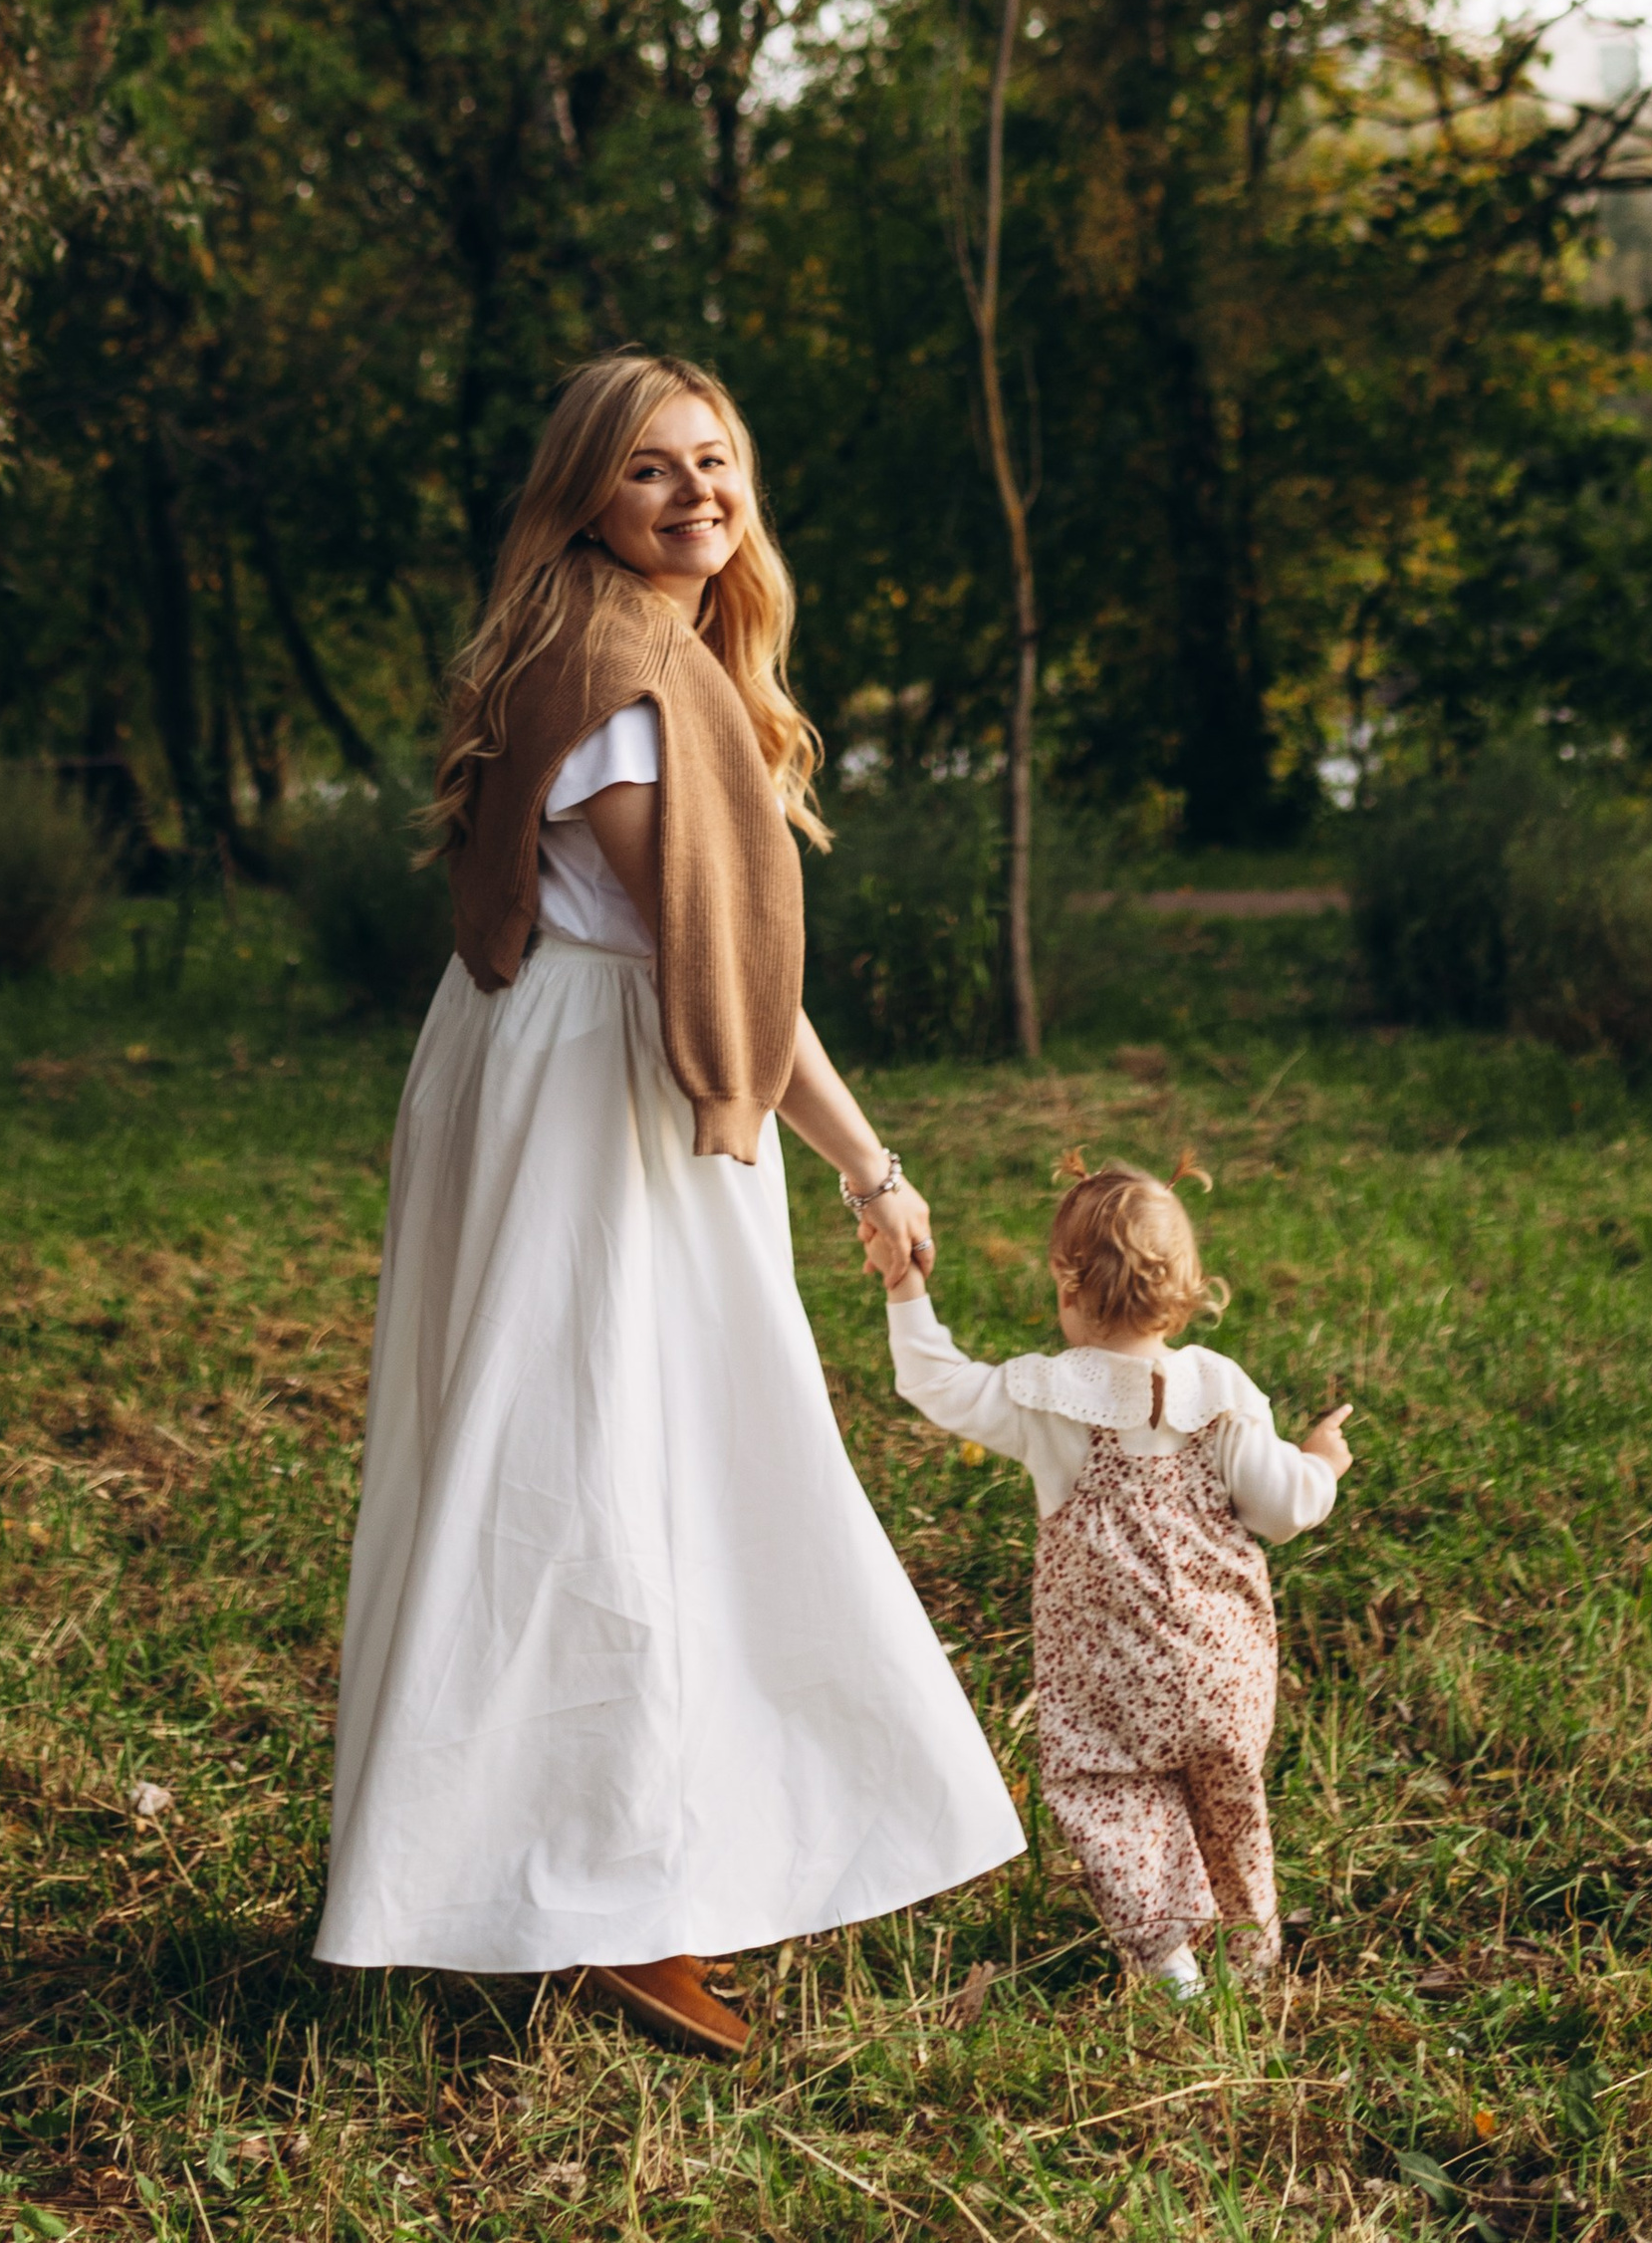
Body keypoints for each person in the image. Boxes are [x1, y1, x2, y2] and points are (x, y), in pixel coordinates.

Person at [315, 352, 1024, 2055]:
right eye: (650, 471)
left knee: (606, 1457)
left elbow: (719, 964)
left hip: (559, 1052)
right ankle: (601, 1888)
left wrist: (863, 1152)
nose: (697, 493)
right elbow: (713, 965)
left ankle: (565, 1861)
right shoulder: (623, 674)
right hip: (594, 1097)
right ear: (586, 499)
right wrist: (869, 1162)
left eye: (717, 460)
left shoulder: (622, 650)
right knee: (596, 1469)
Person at [869, 1153, 1355, 1997]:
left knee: (1108, 1793)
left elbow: (935, 1382)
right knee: (1228, 1799)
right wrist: (1322, 1462)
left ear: (1066, 1279)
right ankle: (1251, 1951)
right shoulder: (1224, 1392)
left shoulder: (1048, 1398)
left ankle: (1168, 1958)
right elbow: (1282, 1510)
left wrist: (903, 1288)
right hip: (1222, 1666)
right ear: (1190, 1287)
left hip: (1106, 1674)